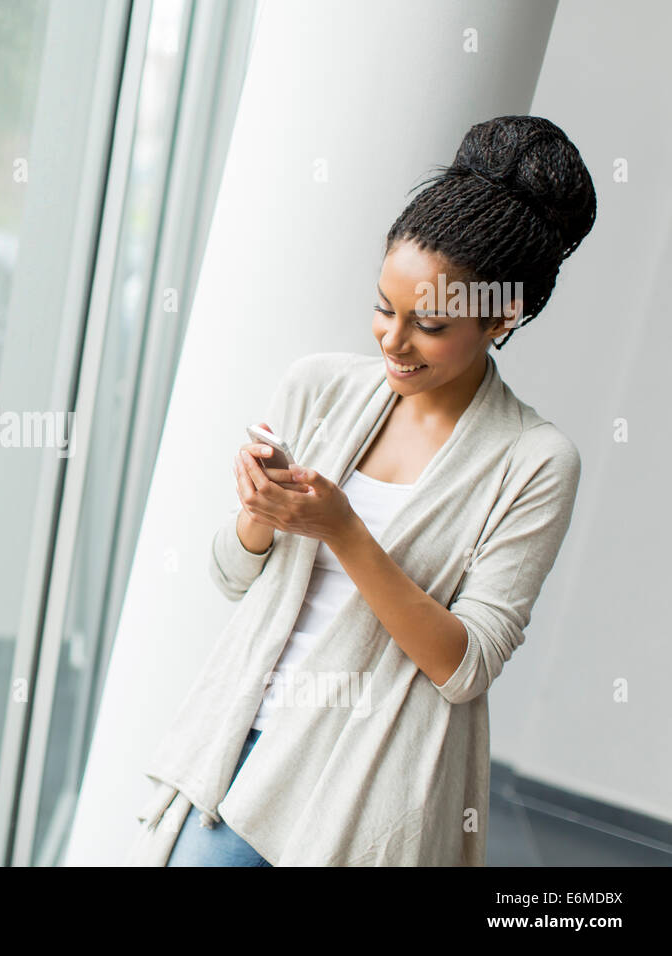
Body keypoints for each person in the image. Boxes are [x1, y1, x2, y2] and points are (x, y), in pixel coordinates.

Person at [129, 115, 595, 866]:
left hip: (368, 777)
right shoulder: (318, 386)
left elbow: (465, 664)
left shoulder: (534, 462)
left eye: (431, 324)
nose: (393, 340)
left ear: (504, 316)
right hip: (238, 735)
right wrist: (257, 515)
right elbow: (229, 574)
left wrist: (344, 531)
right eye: (385, 307)